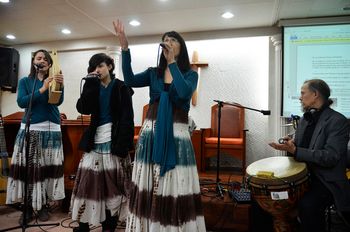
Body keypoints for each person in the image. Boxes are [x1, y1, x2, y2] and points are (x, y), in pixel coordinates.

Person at [113, 20, 206, 232]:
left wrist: (173, 64)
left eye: (173, 40)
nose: (168, 42)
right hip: (151, 132)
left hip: (178, 134)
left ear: (180, 48)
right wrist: (125, 48)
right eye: (165, 40)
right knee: (149, 180)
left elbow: (183, 93)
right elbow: (128, 79)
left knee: (175, 182)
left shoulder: (191, 74)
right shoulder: (153, 73)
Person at [269, 79, 350, 232]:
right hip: (303, 176)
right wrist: (290, 144)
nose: (300, 97)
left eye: (302, 93)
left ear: (315, 94)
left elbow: (330, 157)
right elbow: (300, 144)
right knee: (271, 196)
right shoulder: (306, 118)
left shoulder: (338, 121)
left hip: (325, 180)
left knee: (307, 206)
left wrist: (296, 150)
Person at [70, 53, 134, 232]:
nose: (97, 70)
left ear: (110, 67)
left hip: (113, 142)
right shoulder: (93, 86)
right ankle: (84, 224)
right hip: (94, 140)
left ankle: (109, 226)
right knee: (87, 185)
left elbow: (127, 119)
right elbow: (83, 109)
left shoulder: (121, 88)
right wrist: (89, 85)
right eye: (94, 67)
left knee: (112, 187)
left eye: (100, 66)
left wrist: (122, 147)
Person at [6, 49, 65, 223]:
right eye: (39, 57)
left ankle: (43, 205)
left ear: (50, 63)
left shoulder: (55, 79)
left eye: (46, 58)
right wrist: (42, 88)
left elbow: (58, 101)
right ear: (33, 61)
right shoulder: (26, 81)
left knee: (47, 169)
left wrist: (58, 85)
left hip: (52, 128)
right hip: (31, 128)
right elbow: (22, 102)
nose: (42, 60)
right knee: (30, 169)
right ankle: (28, 206)